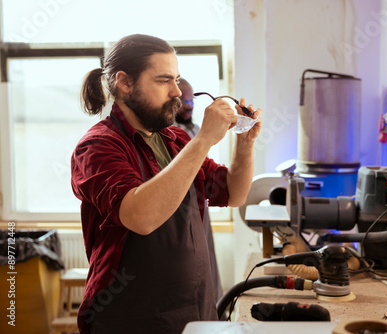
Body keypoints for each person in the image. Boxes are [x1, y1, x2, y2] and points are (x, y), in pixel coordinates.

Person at [71, 34, 261, 334]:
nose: (176, 91)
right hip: (130, 317)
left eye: (177, 79)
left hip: (195, 306)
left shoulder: (176, 140)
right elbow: (141, 217)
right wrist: (204, 140)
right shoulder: (97, 147)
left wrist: (245, 145)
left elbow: (233, 193)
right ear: (125, 83)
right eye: (163, 81)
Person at [173, 78, 223, 302]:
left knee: (206, 261)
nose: (189, 105)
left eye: (191, 99)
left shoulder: (194, 131)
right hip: (175, 211)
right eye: (183, 100)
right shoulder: (168, 135)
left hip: (198, 204)